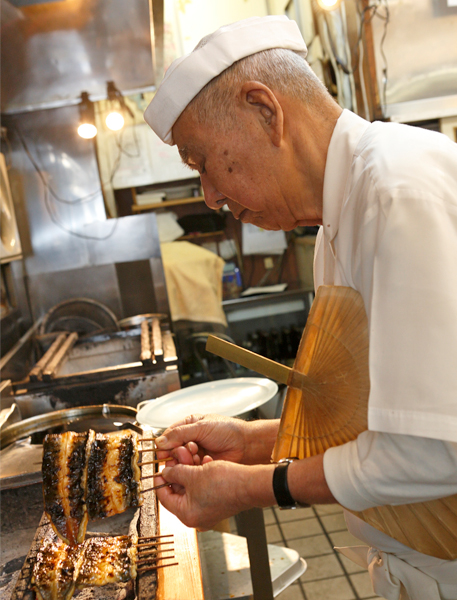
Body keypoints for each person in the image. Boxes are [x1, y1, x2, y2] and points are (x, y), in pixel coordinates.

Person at [143, 16, 457, 600]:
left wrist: (255, 485)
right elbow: (371, 420)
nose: (210, 196)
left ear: (265, 109)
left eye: (201, 161)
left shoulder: (397, 188)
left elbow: (433, 449)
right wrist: (253, 440)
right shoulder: (340, 215)